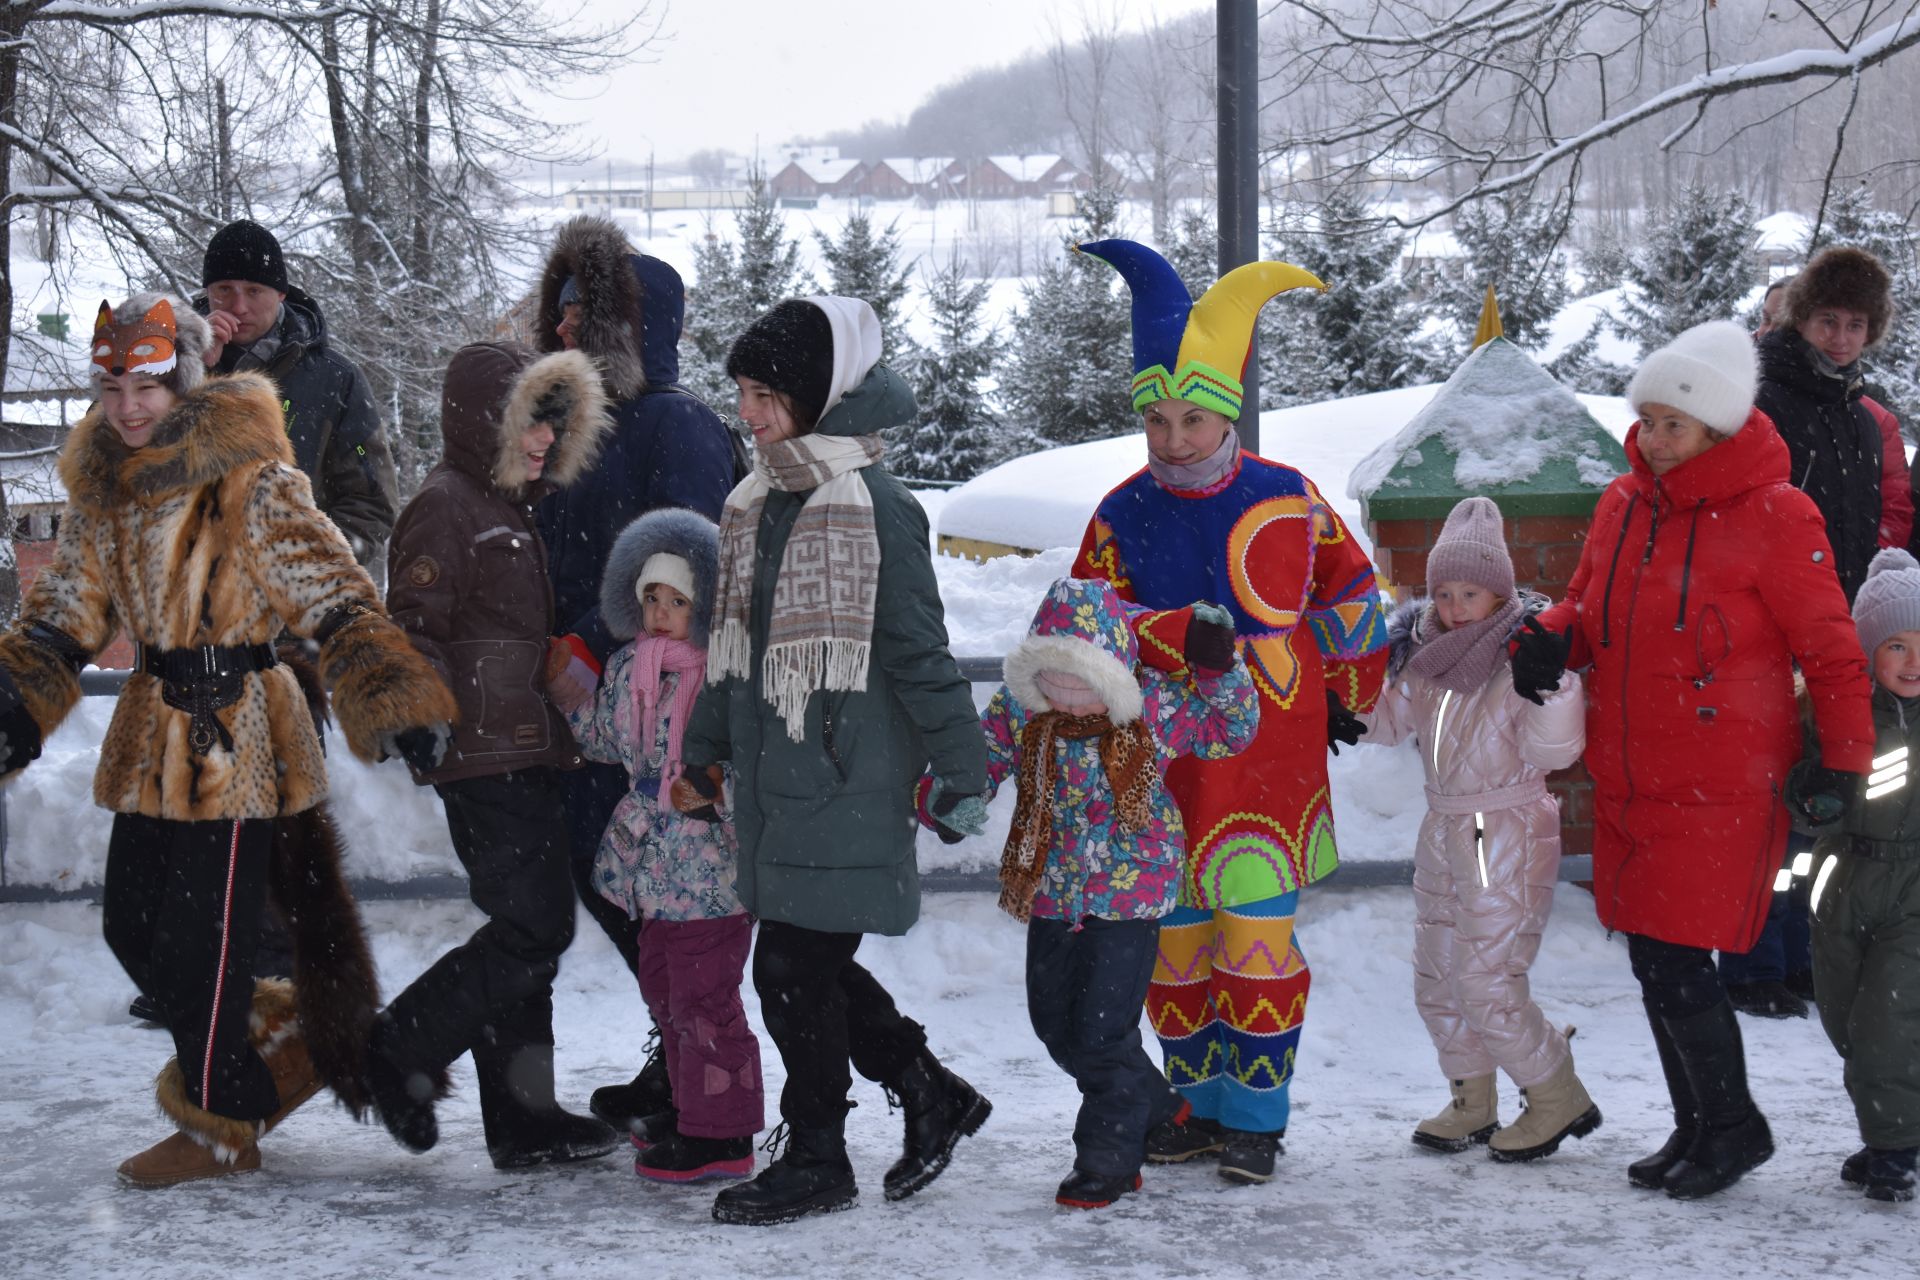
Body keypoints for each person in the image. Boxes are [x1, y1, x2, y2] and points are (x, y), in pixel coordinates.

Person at [0, 294, 454, 1185]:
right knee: (133, 927)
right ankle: (286, 1045)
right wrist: (15, 705)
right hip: (149, 737)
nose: (130, 406)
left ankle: (220, 1127)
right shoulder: (106, 493)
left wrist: (392, 696)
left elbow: (335, 591)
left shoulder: (251, 477)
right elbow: (61, 618)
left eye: (148, 384)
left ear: (183, 380)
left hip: (238, 731)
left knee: (197, 947)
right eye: (114, 387)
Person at [1517, 319, 1874, 1199]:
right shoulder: (1620, 503)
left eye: (1673, 422)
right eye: (1646, 419)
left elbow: (1831, 650)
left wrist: (1846, 761)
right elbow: (1584, 606)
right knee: (1652, 956)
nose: (1653, 436)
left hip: (1724, 781)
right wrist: (1553, 639)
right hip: (1633, 773)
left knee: (1677, 959)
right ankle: (1702, 1123)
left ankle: (1734, 1125)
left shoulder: (1778, 514)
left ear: (1715, 425)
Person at [1073, 239, 1390, 1184]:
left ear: (1231, 411)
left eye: (1196, 417)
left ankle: (1256, 1116)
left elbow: (1352, 592)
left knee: (1255, 949)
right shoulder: (1120, 512)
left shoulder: (1289, 499)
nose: (1174, 438)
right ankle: (1193, 1105)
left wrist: (1344, 688)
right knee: (1173, 957)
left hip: (1269, 766)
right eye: (1158, 419)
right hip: (1160, 769)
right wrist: (1136, 664)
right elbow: (1088, 621)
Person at [679, 296, 992, 1226]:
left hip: (848, 777)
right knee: (802, 967)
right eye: (743, 393)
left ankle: (820, 1155)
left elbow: (920, 653)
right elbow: (736, 652)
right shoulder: (761, 502)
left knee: (788, 969)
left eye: (768, 395)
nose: (750, 413)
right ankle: (926, 1086)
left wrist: (963, 772)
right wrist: (702, 752)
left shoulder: (879, 509)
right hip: (779, 781)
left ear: (820, 397)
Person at [371, 341, 619, 1169]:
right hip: (477, 751)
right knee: (534, 926)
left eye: (554, 425)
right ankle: (398, 1048)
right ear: (486, 421)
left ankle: (523, 1119)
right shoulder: (446, 504)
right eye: (529, 423)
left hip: (522, 747)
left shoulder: (507, 508)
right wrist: (416, 709)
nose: (544, 441)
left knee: (529, 935)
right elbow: (412, 621)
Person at [947, 577, 1256, 1209]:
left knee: (1102, 1031)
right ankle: (1158, 1104)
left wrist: (1218, 664)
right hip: (1054, 890)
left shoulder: (1152, 708)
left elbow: (1232, 730)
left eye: (1082, 685)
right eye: (1052, 683)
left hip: (1130, 893)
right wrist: (953, 800)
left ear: (1111, 675)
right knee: (1056, 1025)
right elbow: (983, 758)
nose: (1067, 700)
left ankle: (1110, 1160)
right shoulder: (1024, 713)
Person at [531, 216, 739, 1128]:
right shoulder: (574, 429)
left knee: (685, 912)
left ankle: (708, 1076)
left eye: (588, 310)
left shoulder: (675, 422)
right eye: (562, 308)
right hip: (594, 704)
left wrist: (587, 636)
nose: (566, 326)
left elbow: (685, 560)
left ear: (631, 323)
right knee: (617, 882)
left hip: (657, 704)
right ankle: (678, 1056)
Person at [1363, 498, 1597, 1161]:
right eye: (1443, 591)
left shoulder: (1521, 654)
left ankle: (1555, 1093)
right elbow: (1390, 721)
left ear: (1499, 591)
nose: (1456, 605)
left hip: (1501, 827)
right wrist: (1347, 707)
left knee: (1486, 977)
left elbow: (1557, 754)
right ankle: (1473, 1098)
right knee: (1437, 971)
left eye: (1470, 591)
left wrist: (1551, 689)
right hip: (1446, 826)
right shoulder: (1427, 656)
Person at [567, 508, 764, 1183]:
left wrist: (716, 787)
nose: (659, 611)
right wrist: (567, 693)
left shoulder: (728, 675)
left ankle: (725, 1132)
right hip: (651, 869)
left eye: (676, 601)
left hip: (711, 868)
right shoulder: (631, 669)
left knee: (706, 1002)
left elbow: (762, 758)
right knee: (667, 995)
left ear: (703, 606)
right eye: (650, 597)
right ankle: (690, 1113)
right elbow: (601, 740)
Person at [1799, 547, 1920, 1205]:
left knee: (1888, 1022)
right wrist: (1810, 796)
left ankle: (1894, 1147)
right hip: (1842, 881)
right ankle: (1892, 1125)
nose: (1913, 660)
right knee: (1847, 1020)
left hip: (1916, 886)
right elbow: (1800, 775)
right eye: (1896, 646)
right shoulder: (1839, 713)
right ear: (1870, 653)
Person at [198, 219, 399, 571]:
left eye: (254, 290)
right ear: (207, 292)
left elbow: (372, 502)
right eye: (224, 289)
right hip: (185, 608)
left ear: (281, 294)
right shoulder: (162, 361)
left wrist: (302, 568)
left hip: (293, 611)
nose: (238, 306)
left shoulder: (335, 379)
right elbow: (112, 457)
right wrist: (184, 367)